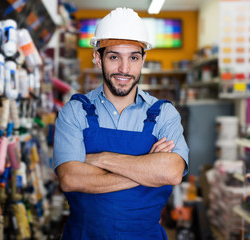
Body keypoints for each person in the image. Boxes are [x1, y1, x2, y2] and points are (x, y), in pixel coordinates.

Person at [53, 7, 189, 240]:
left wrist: (98, 159)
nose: (124, 69)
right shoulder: (75, 111)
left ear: (143, 59)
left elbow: (172, 173)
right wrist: (146, 167)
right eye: (114, 57)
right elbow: (70, 179)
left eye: (133, 58)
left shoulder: (164, 114)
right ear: (98, 58)